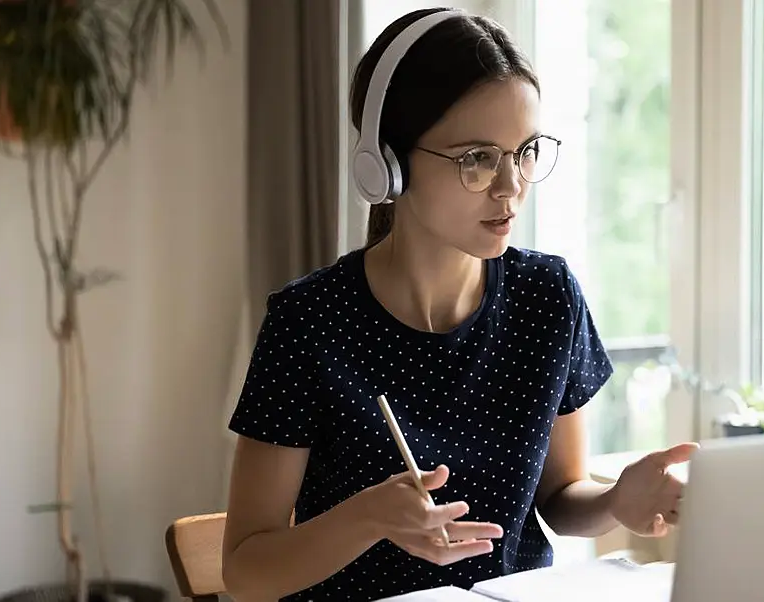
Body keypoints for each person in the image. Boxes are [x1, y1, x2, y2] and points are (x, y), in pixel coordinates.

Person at [221, 7, 698, 602]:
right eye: (477, 158)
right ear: (388, 165)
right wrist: (367, 519)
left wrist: (614, 502)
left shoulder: (547, 298)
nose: (510, 186)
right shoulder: (308, 323)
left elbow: (559, 496)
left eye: (523, 152)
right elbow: (244, 570)